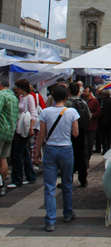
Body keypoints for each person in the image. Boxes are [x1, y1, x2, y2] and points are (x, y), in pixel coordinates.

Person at [35, 85, 80, 231]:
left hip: (50, 149)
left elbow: (41, 134)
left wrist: (37, 151)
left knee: (49, 186)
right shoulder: (71, 112)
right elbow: (76, 133)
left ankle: (50, 220)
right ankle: (67, 213)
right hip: (66, 149)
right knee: (67, 183)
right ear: (66, 97)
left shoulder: (45, 112)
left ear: (53, 97)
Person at [8, 79, 37, 188]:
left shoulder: (29, 97)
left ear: (22, 88)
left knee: (17, 154)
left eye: (18, 88)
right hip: (20, 127)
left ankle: (17, 179)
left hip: (24, 128)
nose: (16, 90)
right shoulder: (21, 98)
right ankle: (30, 176)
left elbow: (33, 113)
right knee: (24, 152)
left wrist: (31, 127)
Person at [67, 81, 90, 188]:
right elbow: (89, 116)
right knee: (81, 155)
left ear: (69, 91)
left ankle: (68, 179)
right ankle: (83, 179)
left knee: (70, 156)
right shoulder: (83, 102)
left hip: (70, 133)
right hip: (82, 132)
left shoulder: (69, 103)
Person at [0, 75, 19, 196]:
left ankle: (1, 184)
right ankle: (2, 185)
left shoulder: (2, 96)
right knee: (3, 158)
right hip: (10, 132)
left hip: (0, 130)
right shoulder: (14, 97)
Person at [82, 86, 101, 166]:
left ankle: (87, 159)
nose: (84, 92)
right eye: (84, 91)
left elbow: (98, 112)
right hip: (83, 126)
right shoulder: (81, 101)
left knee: (90, 144)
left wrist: (91, 115)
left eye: (85, 91)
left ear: (90, 93)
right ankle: (85, 161)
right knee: (84, 145)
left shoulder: (94, 102)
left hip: (91, 126)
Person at [99, 89, 111, 154]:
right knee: (109, 135)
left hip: (103, 121)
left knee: (104, 135)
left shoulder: (102, 102)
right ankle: (109, 148)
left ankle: (105, 149)